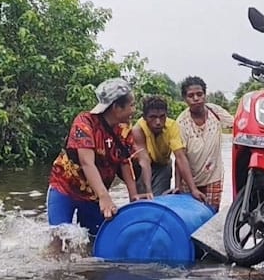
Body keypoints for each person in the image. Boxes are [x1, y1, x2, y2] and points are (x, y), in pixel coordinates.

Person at [47, 78, 139, 236]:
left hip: (93, 195)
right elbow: (86, 162)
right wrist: (104, 196)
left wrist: (133, 197)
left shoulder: (124, 129)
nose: (134, 110)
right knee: (60, 237)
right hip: (65, 188)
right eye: (131, 105)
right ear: (116, 107)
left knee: (96, 239)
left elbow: (125, 162)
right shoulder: (84, 123)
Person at [131, 95, 206, 202]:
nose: (158, 122)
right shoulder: (138, 129)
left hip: (163, 165)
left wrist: (192, 189)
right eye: (152, 117)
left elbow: (180, 157)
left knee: (159, 200)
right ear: (144, 117)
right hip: (142, 167)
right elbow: (144, 161)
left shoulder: (172, 126)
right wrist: (148, 191)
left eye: (162, 117)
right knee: (141, 200)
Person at [175, 76, 234, 210]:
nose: (196, 98)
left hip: (213, 177)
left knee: (211, 214)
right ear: (185, 99)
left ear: (205, 95)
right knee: (191, 215)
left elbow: (237, 125)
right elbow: (180, 158)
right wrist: (182, 187)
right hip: (189, 179)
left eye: (199, 94)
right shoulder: (181, 123)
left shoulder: (215, 112)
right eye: (191, 96)